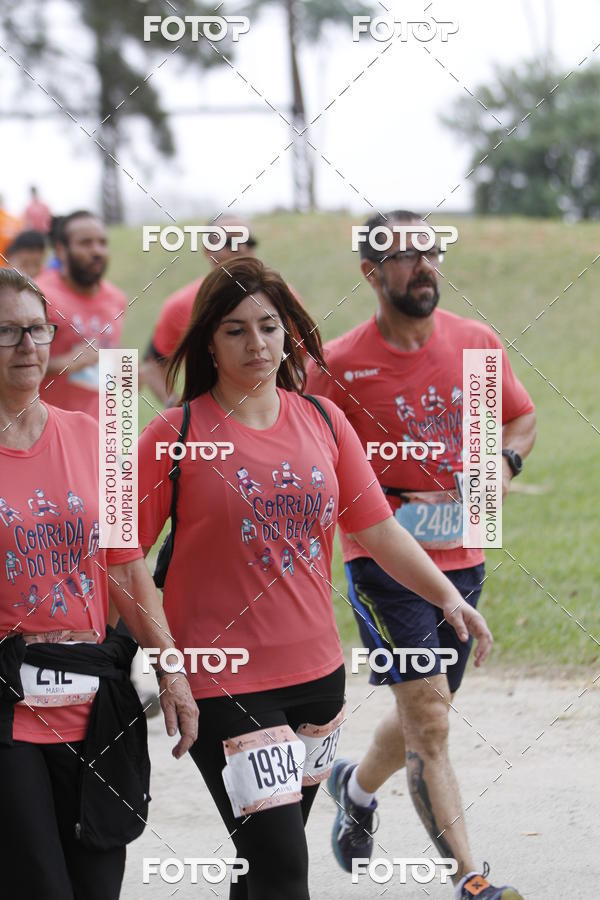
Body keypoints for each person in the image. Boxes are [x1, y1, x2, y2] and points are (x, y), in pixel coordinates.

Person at [136, 256, 494, 900]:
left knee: (264, 864)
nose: (257, 344)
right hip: (226, 680)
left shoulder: (324, 422)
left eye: (270, 327)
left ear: (289, 333)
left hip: (318, 680)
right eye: (235, 330)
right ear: (208, 342)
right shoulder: (175, 436)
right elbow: (123, 558)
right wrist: (167, 664)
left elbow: (379, 530)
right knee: (283, 870)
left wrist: (446, 596)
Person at [307, 210, 536, 900]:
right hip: (385, 562)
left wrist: (504, 462)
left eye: (430, 252)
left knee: (423, 709)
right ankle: (473, 881)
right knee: (431, 723)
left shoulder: (476, 343)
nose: (423, 265)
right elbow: (302, 449)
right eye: (404, 256)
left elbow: (520, 418)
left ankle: (354, 786)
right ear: (371, 273)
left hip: (464, 552)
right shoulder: (340, 365)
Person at [0, 268, 198, 900]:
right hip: (7, 707)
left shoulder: (94, 437)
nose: (29, 345)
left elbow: (126, 568)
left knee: (97, 886)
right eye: (7, 332)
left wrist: (172, 669)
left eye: (37, 328)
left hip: (96, 702)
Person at [140, 215, 258, 405]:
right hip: (212, 425)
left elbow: (305, 359)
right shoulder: (183, 304)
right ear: (207, 250)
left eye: (248, 242)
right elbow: (152, 365)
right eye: (230, 242)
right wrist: (176, 408)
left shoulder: (282, 297)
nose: (242, 249)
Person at [34, 210, 127, 418]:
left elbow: (108, 364)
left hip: (104, 435)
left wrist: (126, 375)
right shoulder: (37, 295)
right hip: (48, 431)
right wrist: (62, 363)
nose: (97, 251)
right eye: (85, 243)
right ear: (61, 250)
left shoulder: (117, 298)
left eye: (102, 243)